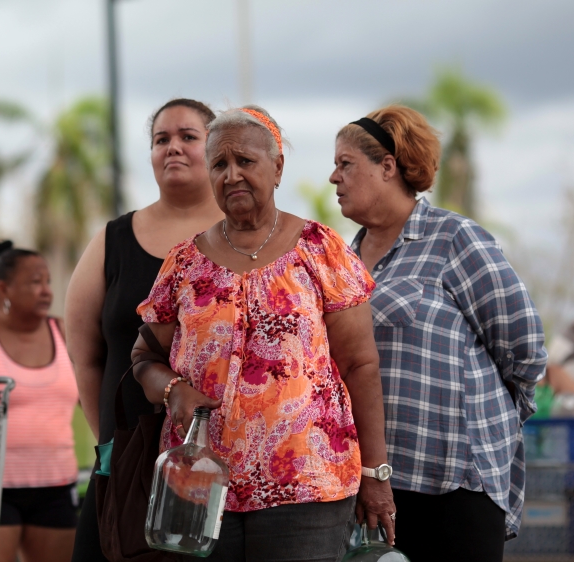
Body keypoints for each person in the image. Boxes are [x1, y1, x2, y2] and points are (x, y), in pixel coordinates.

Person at [132, 106, 395, 562]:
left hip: (308, 488)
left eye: (245, 162)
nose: (232, 175)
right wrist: (172, 390)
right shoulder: (184, 264)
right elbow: (143, 358)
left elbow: (360, 364)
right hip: (200, 486)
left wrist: (376, 473)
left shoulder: (319, 249)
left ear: (277, 167)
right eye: (219, 165)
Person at [330, 105, 547, 561]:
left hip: (454, 486)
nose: (334, 177)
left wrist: (493, 425)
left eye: (345, 164)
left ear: (387, 167)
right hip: (375, 485)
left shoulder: (453, 238)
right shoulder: (343, 262)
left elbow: (524, 349)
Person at [67, 98, 227, 560]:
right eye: (162, 139)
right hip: (125, 459)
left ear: (214, 148)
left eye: (188, 137)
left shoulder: (242, 239)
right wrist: (108, 444)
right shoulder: (113, 238)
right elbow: (85, 355)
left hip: (214, 467)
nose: (172, 147)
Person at [0, 241, 79, 562]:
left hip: (56, 485)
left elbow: (93, 401)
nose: (46, 291)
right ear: (4, 288)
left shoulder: (65, 334)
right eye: (35, 282)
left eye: (48, 282)